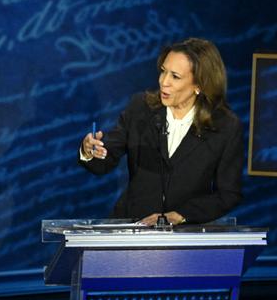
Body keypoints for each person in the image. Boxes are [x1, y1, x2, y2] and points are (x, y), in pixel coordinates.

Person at [79, 37, 243, 225]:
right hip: (132, 228)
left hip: (185, 238)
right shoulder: (141, 108)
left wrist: (180, 215)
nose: (164, 82)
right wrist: (90, 151)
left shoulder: (224, 126)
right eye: (163, 72)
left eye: (175, 76)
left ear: (199, 84)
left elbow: (228, 194)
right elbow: (104, 161)